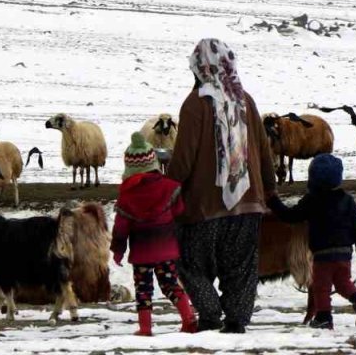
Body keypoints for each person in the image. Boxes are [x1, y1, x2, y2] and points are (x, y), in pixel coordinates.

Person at [166, 38, 277, 333]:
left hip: (204, 207)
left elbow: (184, 158)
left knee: (189, 261)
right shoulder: (246, 101)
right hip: (248, 203)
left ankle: (211, 313)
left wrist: (168, 191)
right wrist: (270, 189)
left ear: (200, 69)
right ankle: (237, 322)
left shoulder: (195, 104)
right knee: (240, 267)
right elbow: (263, 150)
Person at [267, 153, 356, 329]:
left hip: (323, 254)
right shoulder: (347, 200)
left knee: (321, 286)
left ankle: (324, 317)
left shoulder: (312, 200)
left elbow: (291, 216)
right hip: (344, 253)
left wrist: (273, 201)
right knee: (342, 283)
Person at [110, 133, 197, 335]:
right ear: (153, 161)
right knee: (170, 285)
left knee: (143, 290)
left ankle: (145, 328)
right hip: (166, 248)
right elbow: (179, 211)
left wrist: (118, 250)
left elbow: (121, 227)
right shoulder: (169, 188)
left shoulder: (127, 195)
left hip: (141, 252)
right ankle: (189, 318)